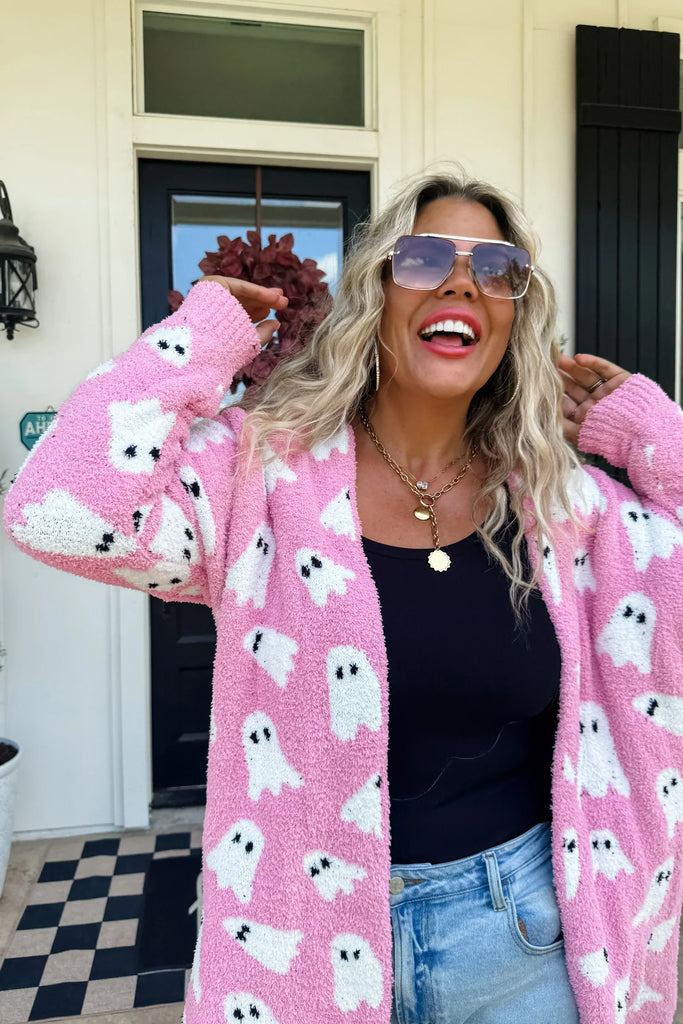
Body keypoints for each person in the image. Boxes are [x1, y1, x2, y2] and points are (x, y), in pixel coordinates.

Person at [5, 168, 683, 1024]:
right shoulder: (261, 477)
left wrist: (649, 432)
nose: (462, 282)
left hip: (522, 940)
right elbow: (57, 510)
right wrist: (199, 340)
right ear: (376, 292)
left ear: (514, 314)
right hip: (300, 935)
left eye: (495, 268)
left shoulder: (561, 509)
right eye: (426, 257)